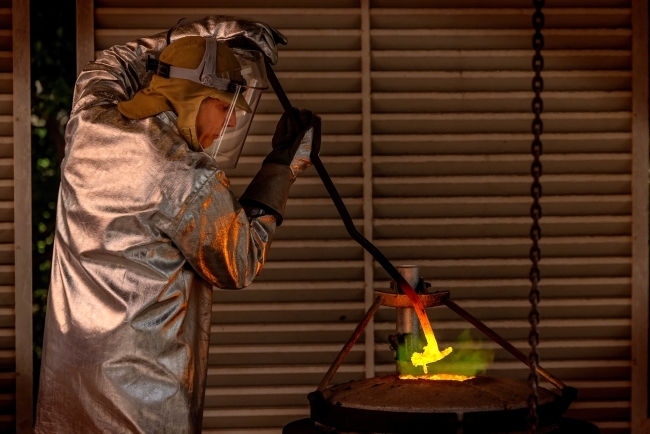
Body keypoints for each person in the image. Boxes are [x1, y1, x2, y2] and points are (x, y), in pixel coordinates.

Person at [34, 16, 318, 434]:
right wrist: (282, 167)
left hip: (68, 388)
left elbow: (109, 64)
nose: (229, 123)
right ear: (191, 96)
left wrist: (198, 34)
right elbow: (239, 261)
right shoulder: (185, 175)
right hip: (143, 405)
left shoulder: (90, 122)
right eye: (224, 108)